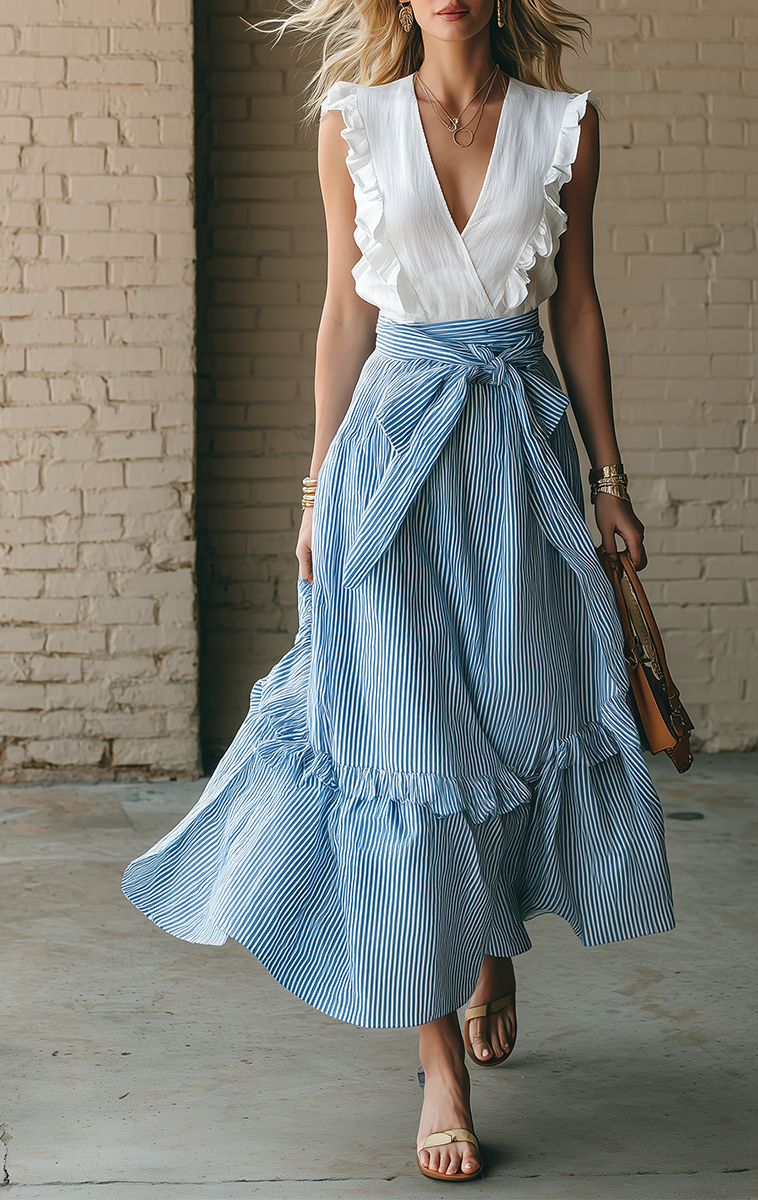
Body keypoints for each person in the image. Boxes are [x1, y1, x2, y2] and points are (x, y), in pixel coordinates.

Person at [122, 0, 674, 1181]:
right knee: (407, 747)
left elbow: (575, 307)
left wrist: (611, 478)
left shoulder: (566, 124)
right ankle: (437, 1063)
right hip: (389, 464)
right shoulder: (353, 123)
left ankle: (488, 941)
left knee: (516, 723)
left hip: (519, 463)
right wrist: (319, 489)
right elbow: (344, 316)